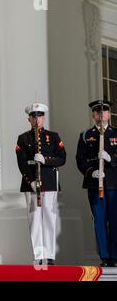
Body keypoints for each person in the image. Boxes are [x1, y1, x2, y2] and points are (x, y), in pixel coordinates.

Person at [15, 103, 66, 266]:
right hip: (31, 183)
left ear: (44, 117)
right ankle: (38, 254)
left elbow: (62, 158)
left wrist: (46, 160)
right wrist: (30, 182)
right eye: (33, 116)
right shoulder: (23, 138)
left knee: (49, 218)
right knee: (35, 219)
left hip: (49, 181)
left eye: (40, 116)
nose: (37, 120)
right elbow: (22, 162)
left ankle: (49, 255)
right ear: (29, 119)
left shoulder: (54, 136)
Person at [76, 100, 117, 267]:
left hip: (114, 183)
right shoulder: (86, 135)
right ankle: (105, 256)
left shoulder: (116, 134)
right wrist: (91, 171)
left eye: (104, 111)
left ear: (109, 114)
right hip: (95, 184)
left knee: (114, 220)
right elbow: (80, 159)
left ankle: (115, 255)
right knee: (99, 220)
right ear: (93, 115)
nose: (101, 114)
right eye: (98, 112)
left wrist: (111, 158)